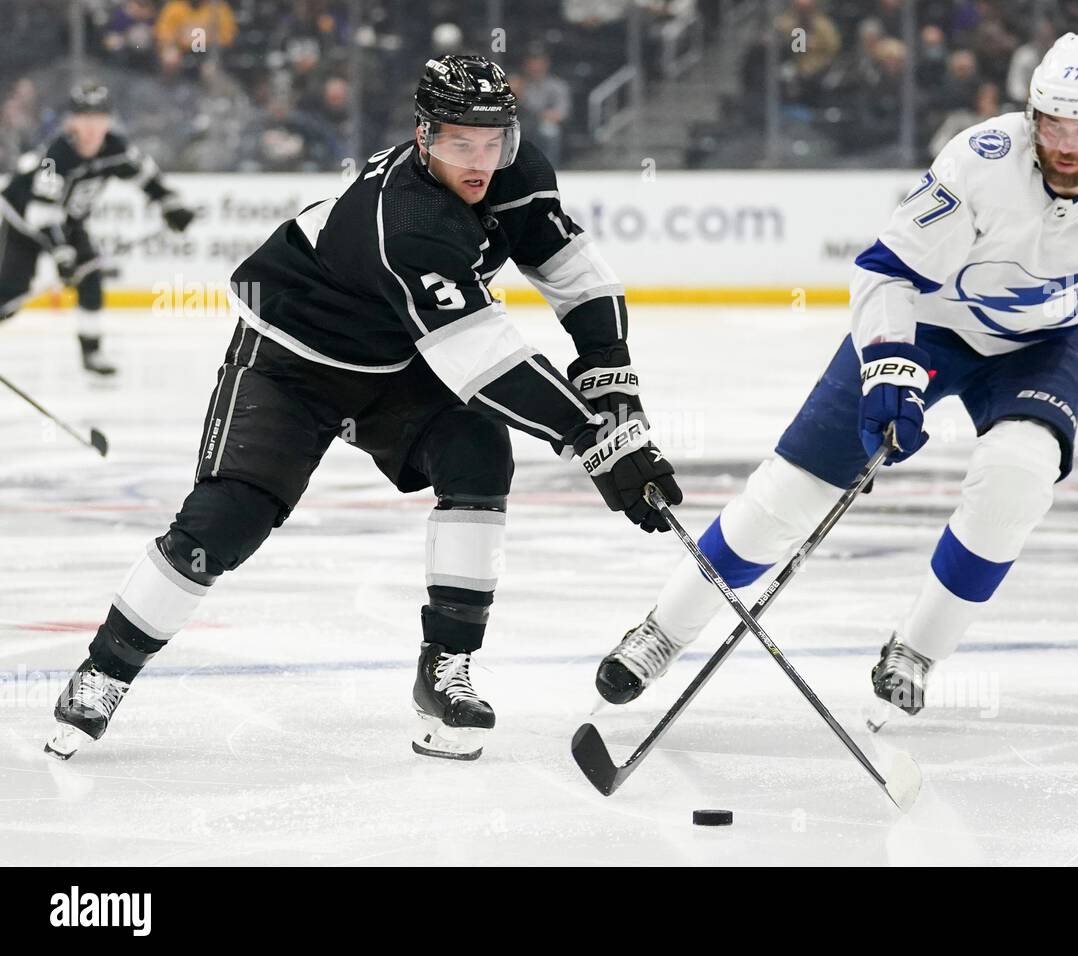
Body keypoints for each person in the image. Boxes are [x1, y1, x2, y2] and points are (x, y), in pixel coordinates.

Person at [593, 33, 1078, 725]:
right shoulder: (981, 161)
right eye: (1051, 122)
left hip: (1040, 346)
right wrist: (889, 367)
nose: (1064, 143)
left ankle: (918, 649)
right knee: (790, 496)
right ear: (1032, 114)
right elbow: (885, 271)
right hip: (924, 327)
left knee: (1019, 476)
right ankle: (664, 630)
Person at [45, 56, 681, 762]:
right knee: (221, 524)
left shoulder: (518, 170)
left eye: (494, 141)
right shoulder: (407, 222)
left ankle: (444, 670)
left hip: (399, 358)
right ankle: (104, 669)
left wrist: (608, 371)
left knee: (478, 454)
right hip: (293, 361)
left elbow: (571, 270)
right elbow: (484, 360)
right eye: (458, 144)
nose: (480, 161)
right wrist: (596, 437)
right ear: (421, 137)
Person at [0, 82, 196, 374]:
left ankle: (92, 353)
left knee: (91, 273)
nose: (91, 126)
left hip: (68, 222)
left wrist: (170, 205)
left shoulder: (115, 147)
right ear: (72, 121)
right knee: (12, 294)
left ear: (108, 119)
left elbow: (146, 177)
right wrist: (61, 254)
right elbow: (41, 211)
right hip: (24, 223)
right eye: (84, 117)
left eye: (98, 117)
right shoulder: (57, 155)